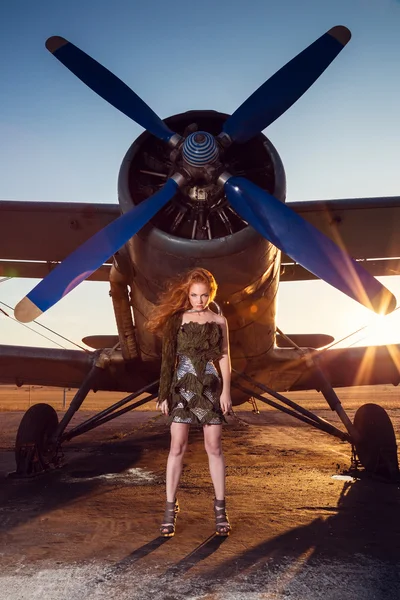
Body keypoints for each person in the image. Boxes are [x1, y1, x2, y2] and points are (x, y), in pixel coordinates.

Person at [147, 268, 232, 538]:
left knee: (214, 447)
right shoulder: (177, 320)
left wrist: (226, 391)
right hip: (182, 388)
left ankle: (220, 512)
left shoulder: (220, 321)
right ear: (188, 294)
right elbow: (168, 358)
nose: (199, 300)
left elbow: (225, 358)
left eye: (204, 295)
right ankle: (170, 511)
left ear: (211, 294)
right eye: (194, 295)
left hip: (210, 388)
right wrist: (163, 394)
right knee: (177, 447)